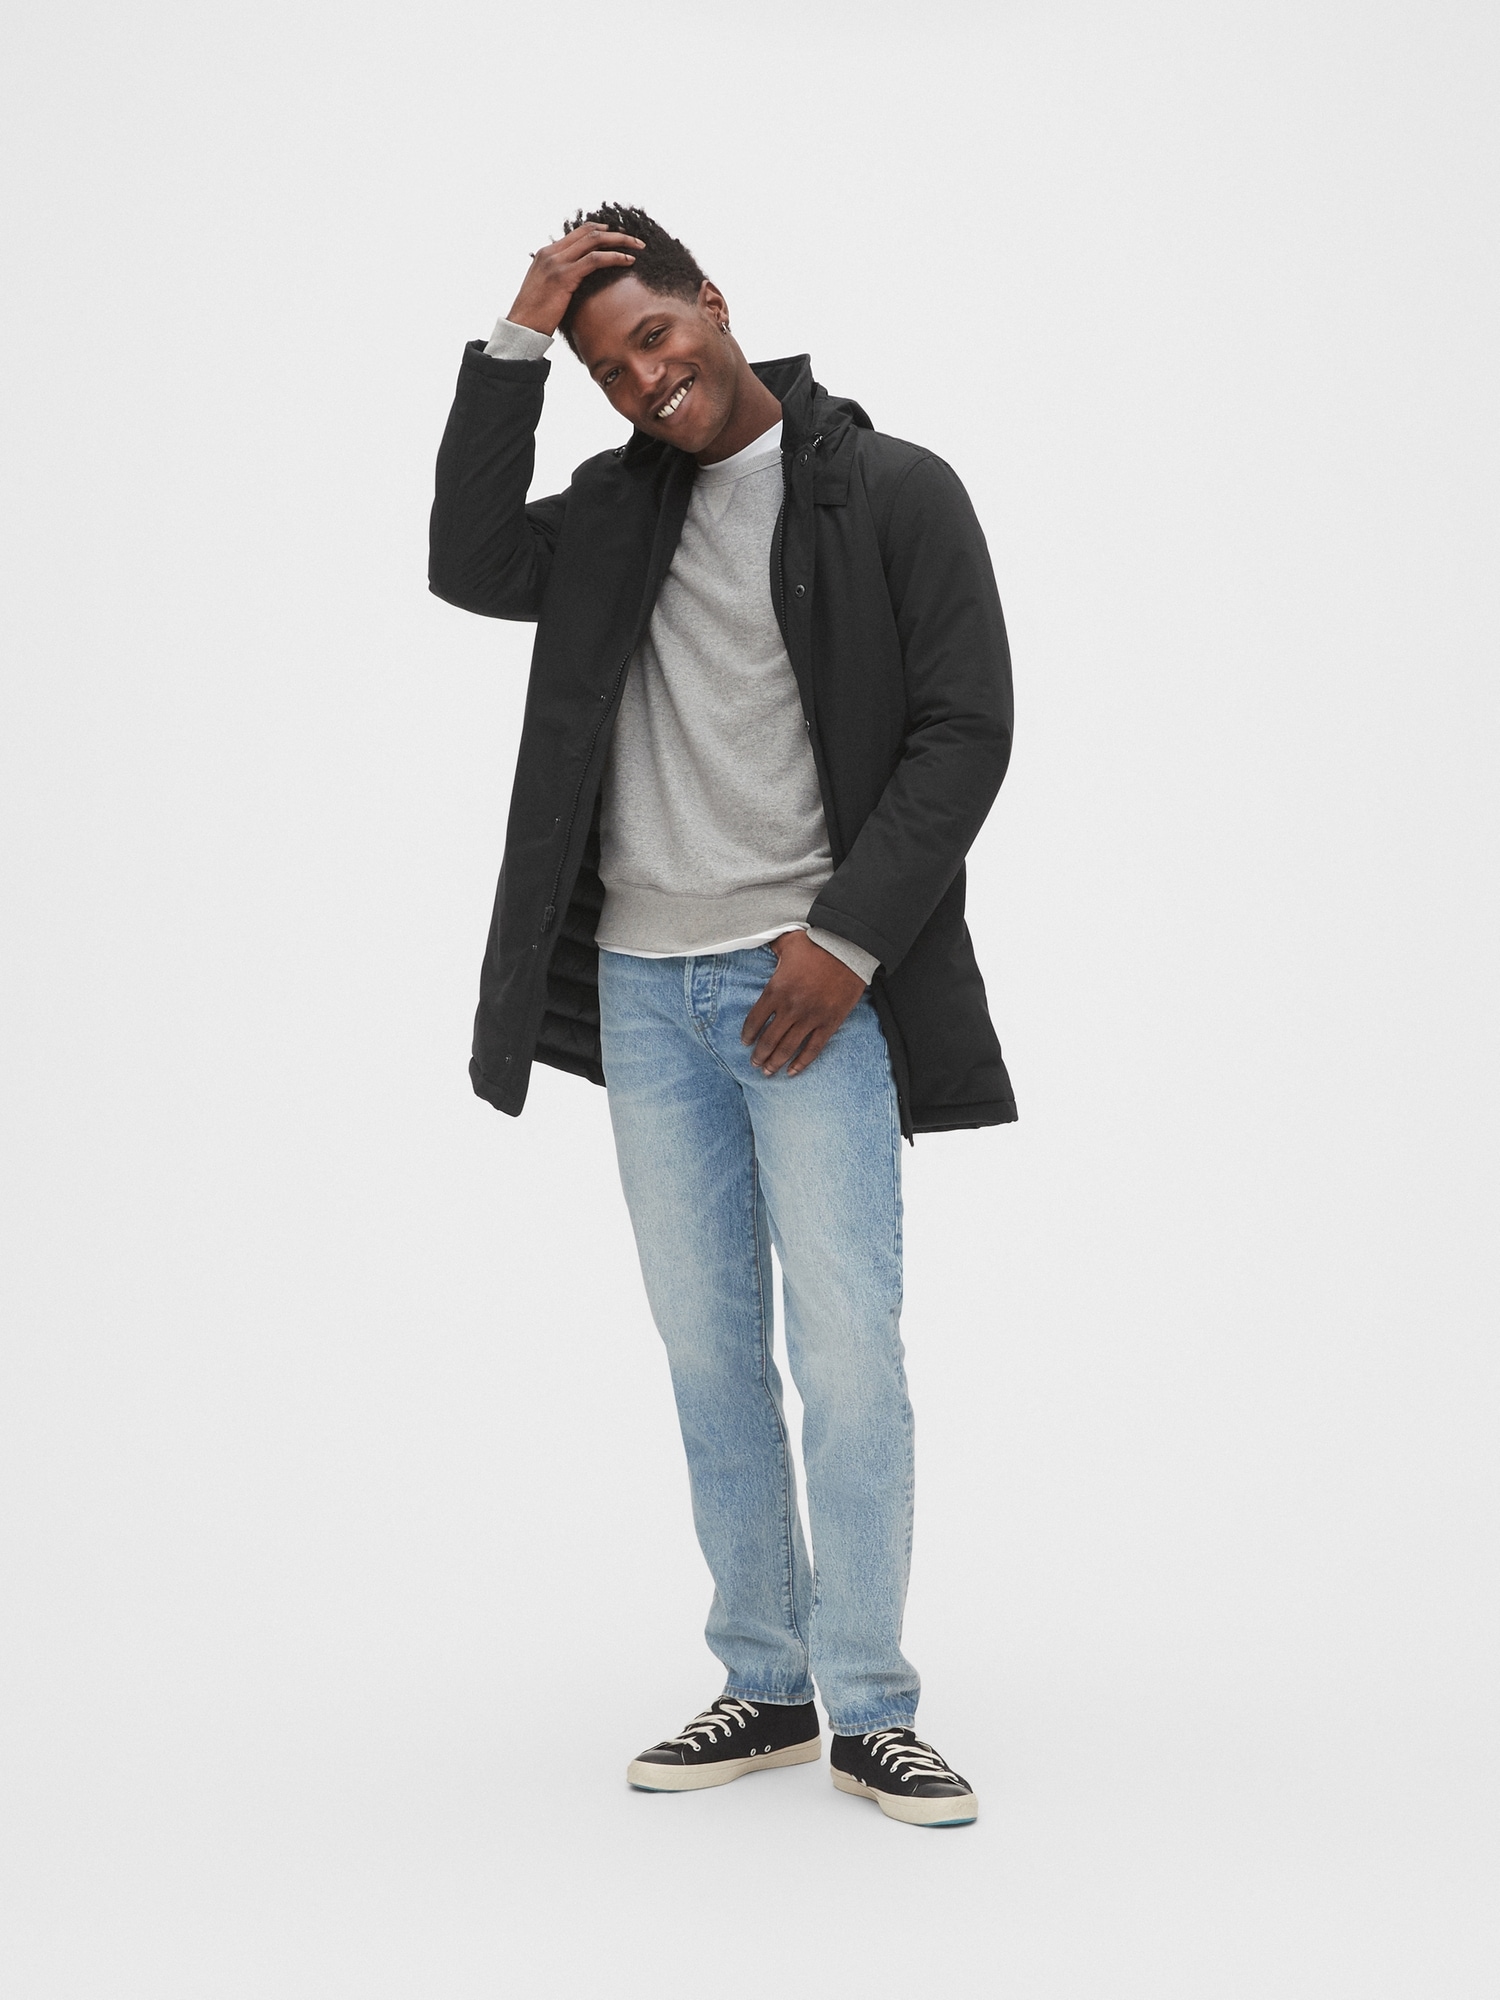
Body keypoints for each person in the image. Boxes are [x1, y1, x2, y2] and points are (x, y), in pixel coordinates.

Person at [428, 204, 1015, 1828]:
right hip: (642, 990)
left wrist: (846, 940)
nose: (646, 381)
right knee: (707, 1355)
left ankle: (873, 1703)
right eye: (613, 370)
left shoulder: (891, 490)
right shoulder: (615, 511)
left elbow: (967, 729)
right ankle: (764, 1681)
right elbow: (467, 562)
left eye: (656, 337)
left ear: (715, 302)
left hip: (807, 989)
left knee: (848, 1351)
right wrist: (520, 335)